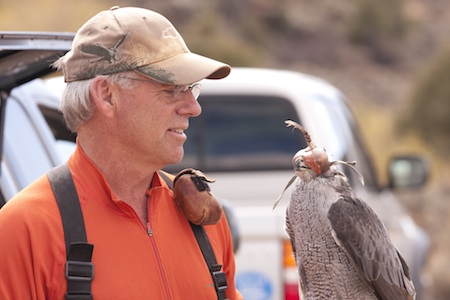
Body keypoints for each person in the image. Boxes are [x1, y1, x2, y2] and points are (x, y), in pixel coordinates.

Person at [0, 6, 243, 299]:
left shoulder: (204, 222)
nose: (193, 107)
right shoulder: (22, 231)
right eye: (171, 89)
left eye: (192, 88)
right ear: (106, 95)